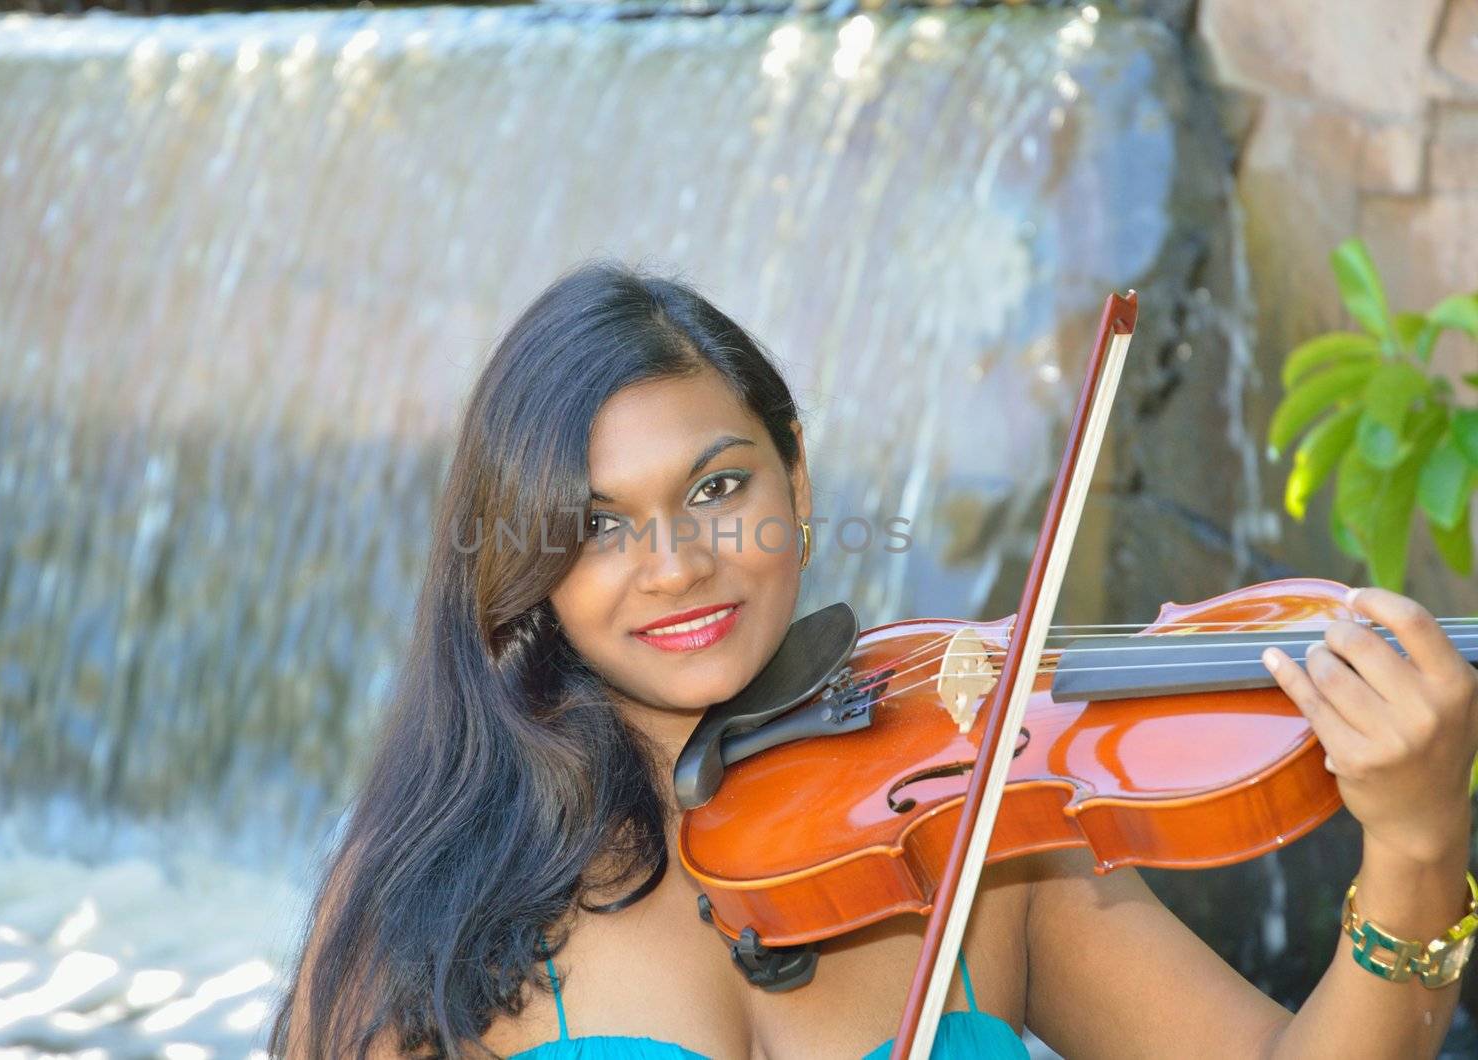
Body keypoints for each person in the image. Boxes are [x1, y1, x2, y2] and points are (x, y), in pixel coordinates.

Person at [265, 259, 1478, 1059]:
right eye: (596, 522)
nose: (680, 563)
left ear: (795, 475)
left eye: (719, 486)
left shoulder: (980, 812)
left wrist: (1418, 844)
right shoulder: (435, 894)